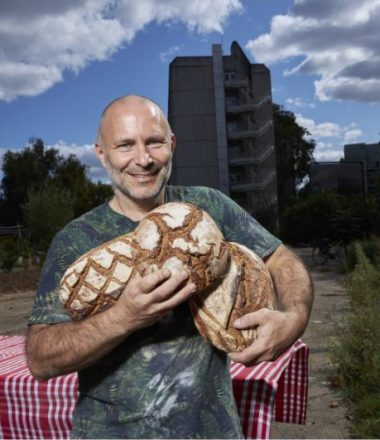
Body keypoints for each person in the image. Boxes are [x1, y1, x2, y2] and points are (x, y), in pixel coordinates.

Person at [26, 95, 313, 439]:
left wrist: (293, 319)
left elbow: (282, 259)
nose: (143, 159)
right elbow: (40, 358)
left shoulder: (208, 207)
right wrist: (124, 317)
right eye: (125, 145)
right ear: (101, 152)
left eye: (154, 142)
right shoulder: (76, 240)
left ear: (172, 144)